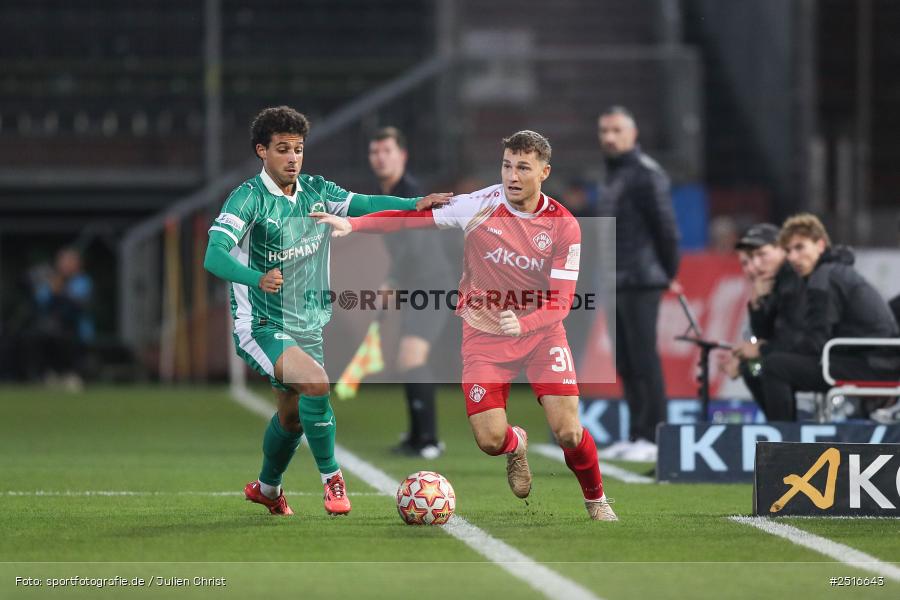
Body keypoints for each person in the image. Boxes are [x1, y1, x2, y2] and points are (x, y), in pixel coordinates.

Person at [314, 130, 618, 521]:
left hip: (541, 335)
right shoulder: (479, 204)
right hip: (484, 335)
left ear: (544, 172)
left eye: (523, 168)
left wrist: (524, 323)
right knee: (490, 440)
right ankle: (515, 443)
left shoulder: (564, 225)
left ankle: (597, 500)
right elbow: (412, 219)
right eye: (507, 165)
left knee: (568, 431)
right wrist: (354, 225)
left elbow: (561, 302)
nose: (512, 176)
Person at [204, 106, 450, 516]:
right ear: (262, 151)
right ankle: (332, 479)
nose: (293, 158)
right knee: (317, 384)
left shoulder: (316, 191)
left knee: (291, 419)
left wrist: (414, 203)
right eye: (283, 149)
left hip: (309, 325)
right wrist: (255, 277)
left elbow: (365, 203)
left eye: (298, 149)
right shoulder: (248, 199)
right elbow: (214, 255)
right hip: (262, 323)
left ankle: (267, 489)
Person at [596, 106, 680, 462]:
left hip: (641, 280)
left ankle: (655, 435)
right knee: (626, 360)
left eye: (616, 130)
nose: (609, 137)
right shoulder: (614, 174)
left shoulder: (647, 174)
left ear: (633, 134)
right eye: (604, 131)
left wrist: (667, 273)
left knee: (644, 358)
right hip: (615, 279)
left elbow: (667, 228)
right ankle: (636, 433)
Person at [758, 213, 900, 420]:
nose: (793, 257)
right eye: (788, 251)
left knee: (774, 366)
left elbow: (816, 342)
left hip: (873, 365)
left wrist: (764, 349)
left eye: (800, 247)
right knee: (777, 362)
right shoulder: (831, 273)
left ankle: (784, 437)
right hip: (872, 361)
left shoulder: (823, 278)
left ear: (820, 245)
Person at [368, 127, 454, 459]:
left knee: (411, 358)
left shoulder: (411, 193)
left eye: (387, 151)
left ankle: (429, 440)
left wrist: (391, 280)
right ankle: (417, 436)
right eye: (375, 152)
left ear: (402, 156)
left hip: (432, 286)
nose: (380, 157)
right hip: (416, 286)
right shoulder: (388, 193)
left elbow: (413, 245)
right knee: (407, 360)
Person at [727, 223, 807, 418]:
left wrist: (758, 350)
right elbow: (761, 332)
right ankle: (779, 423)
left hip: (811, 357)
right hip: (786, 355)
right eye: (749, 260)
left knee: (767, 366)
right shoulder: (772, 284)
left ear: (782, 249)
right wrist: (757, 303)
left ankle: (785, 428)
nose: (755, 265)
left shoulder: (794, 280)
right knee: (753, 368)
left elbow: (792, 336)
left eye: (762, 255)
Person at [23, 247, 94, 391]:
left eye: (69, 261)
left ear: (77, 264)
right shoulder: (52, 281)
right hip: (51, 328)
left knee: (62, 335)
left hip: (75, 329)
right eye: (63, 261)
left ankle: (72, 374)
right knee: (38, 334)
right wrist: (51, 288)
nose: (65, 265)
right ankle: (48, 374)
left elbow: (78, 304)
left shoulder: (82, 281)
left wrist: (61, 291)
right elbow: (41, 302)